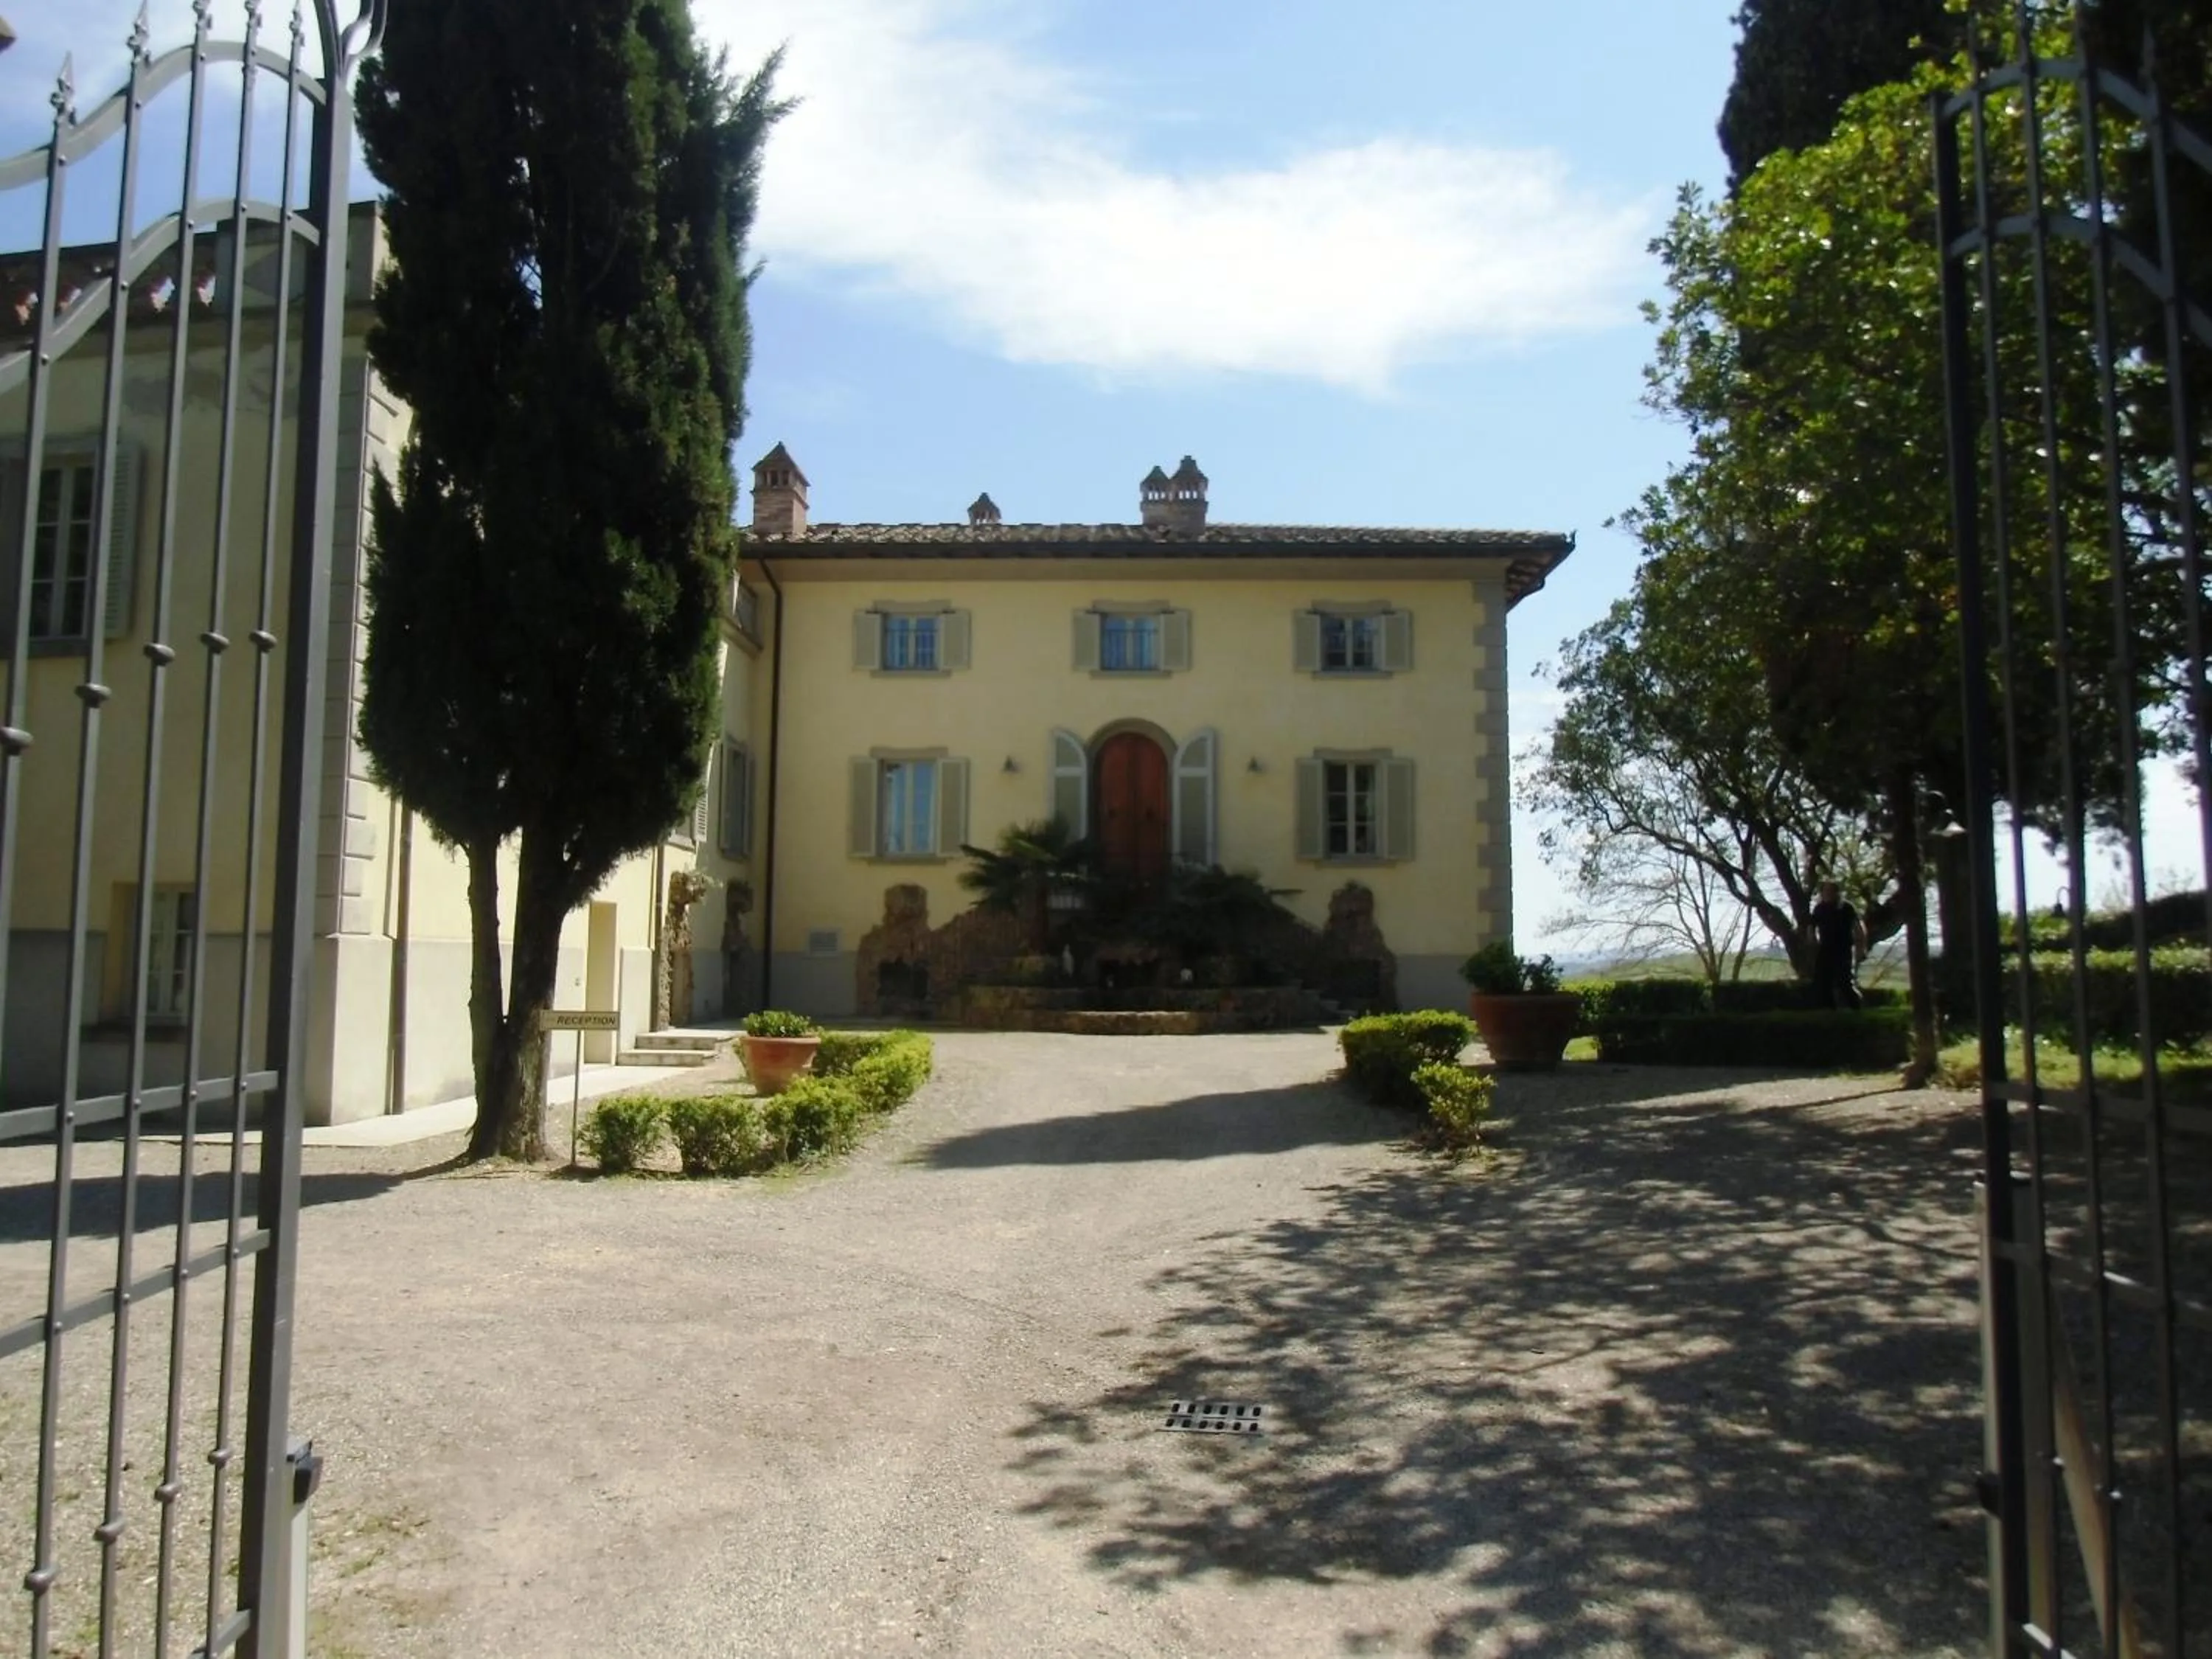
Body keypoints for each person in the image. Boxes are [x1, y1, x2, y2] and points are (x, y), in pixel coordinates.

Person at [1807, 880, 1867, 1010]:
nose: (1827, 894)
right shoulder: (1819, 909)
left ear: (1837, 893)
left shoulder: (1847, 908)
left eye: (1830, 891)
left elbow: (1859, 929)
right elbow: (1812, 927)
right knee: (1823, 983)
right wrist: (1813, 941)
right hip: (1825, 950)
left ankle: (1858, 1010)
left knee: (1845, 983)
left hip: (1843, 950)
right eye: (1825, 891)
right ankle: (1830, 1012)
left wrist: (1861, 948)